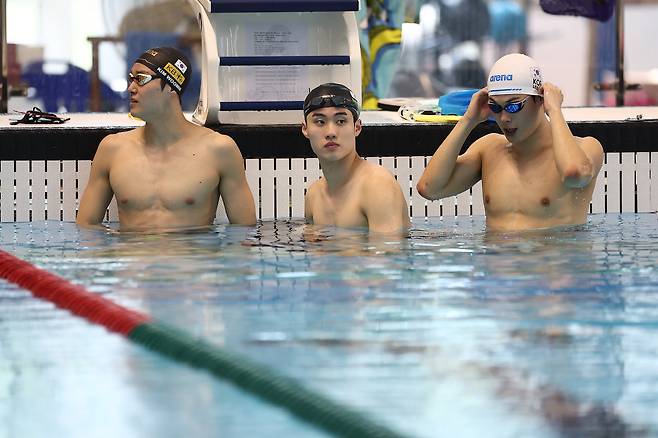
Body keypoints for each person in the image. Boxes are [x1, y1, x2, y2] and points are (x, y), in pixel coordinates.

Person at [417, 53, 604, 231]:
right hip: (496, 260)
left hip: (551, 262)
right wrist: (468, 120)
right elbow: (429, 188)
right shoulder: (488, 150)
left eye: (514, 106)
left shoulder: (586, 147)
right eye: (495, 107)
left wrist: (555, 111)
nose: (504, 118)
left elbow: (575, 175)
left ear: (540, 100)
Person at [77, 47, 256, 231]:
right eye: (131, 78)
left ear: (171, 86)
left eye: (141, 79)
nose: (131, 88)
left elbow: (243, 232)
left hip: (194, 258)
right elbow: (87, 226)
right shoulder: (112, 149)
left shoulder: (219, 150)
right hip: (134, 256)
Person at [302, 83, 410, 233]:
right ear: (305, 129)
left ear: (357, 127)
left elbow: (389, 255)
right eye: (320, 122)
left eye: (341, 121)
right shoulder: (313, 195)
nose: (331, 132)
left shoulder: (377, 185)